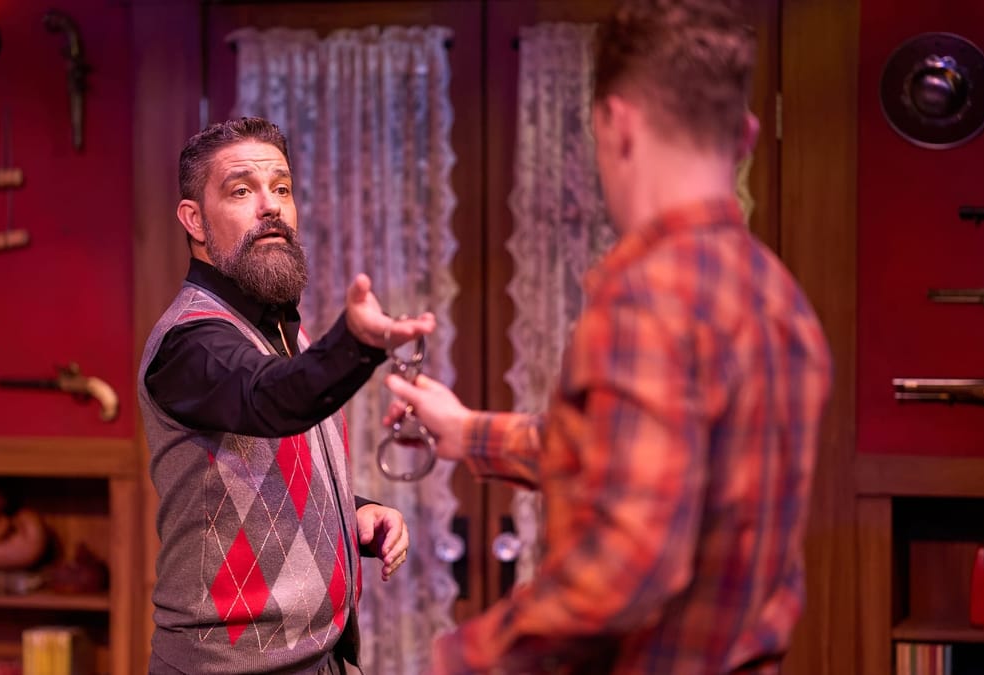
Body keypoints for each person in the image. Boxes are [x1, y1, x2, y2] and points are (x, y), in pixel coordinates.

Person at [385, 2, 833, 673]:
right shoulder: (779, 297)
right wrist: (469, 431)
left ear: (617, 125)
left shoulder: (647, 297)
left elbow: (626, 565)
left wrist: (455, 661)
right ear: (745, 135)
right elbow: (646, 462)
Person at [138, 116, 434, 675]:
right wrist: (357, 342)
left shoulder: (285, 332)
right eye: (241, 190)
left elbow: (269, 466)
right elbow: (271, 399)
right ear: (194, 220)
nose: (270, 206)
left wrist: (356, 512)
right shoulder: (189, 342)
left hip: (320, 658)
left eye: (281, 188)